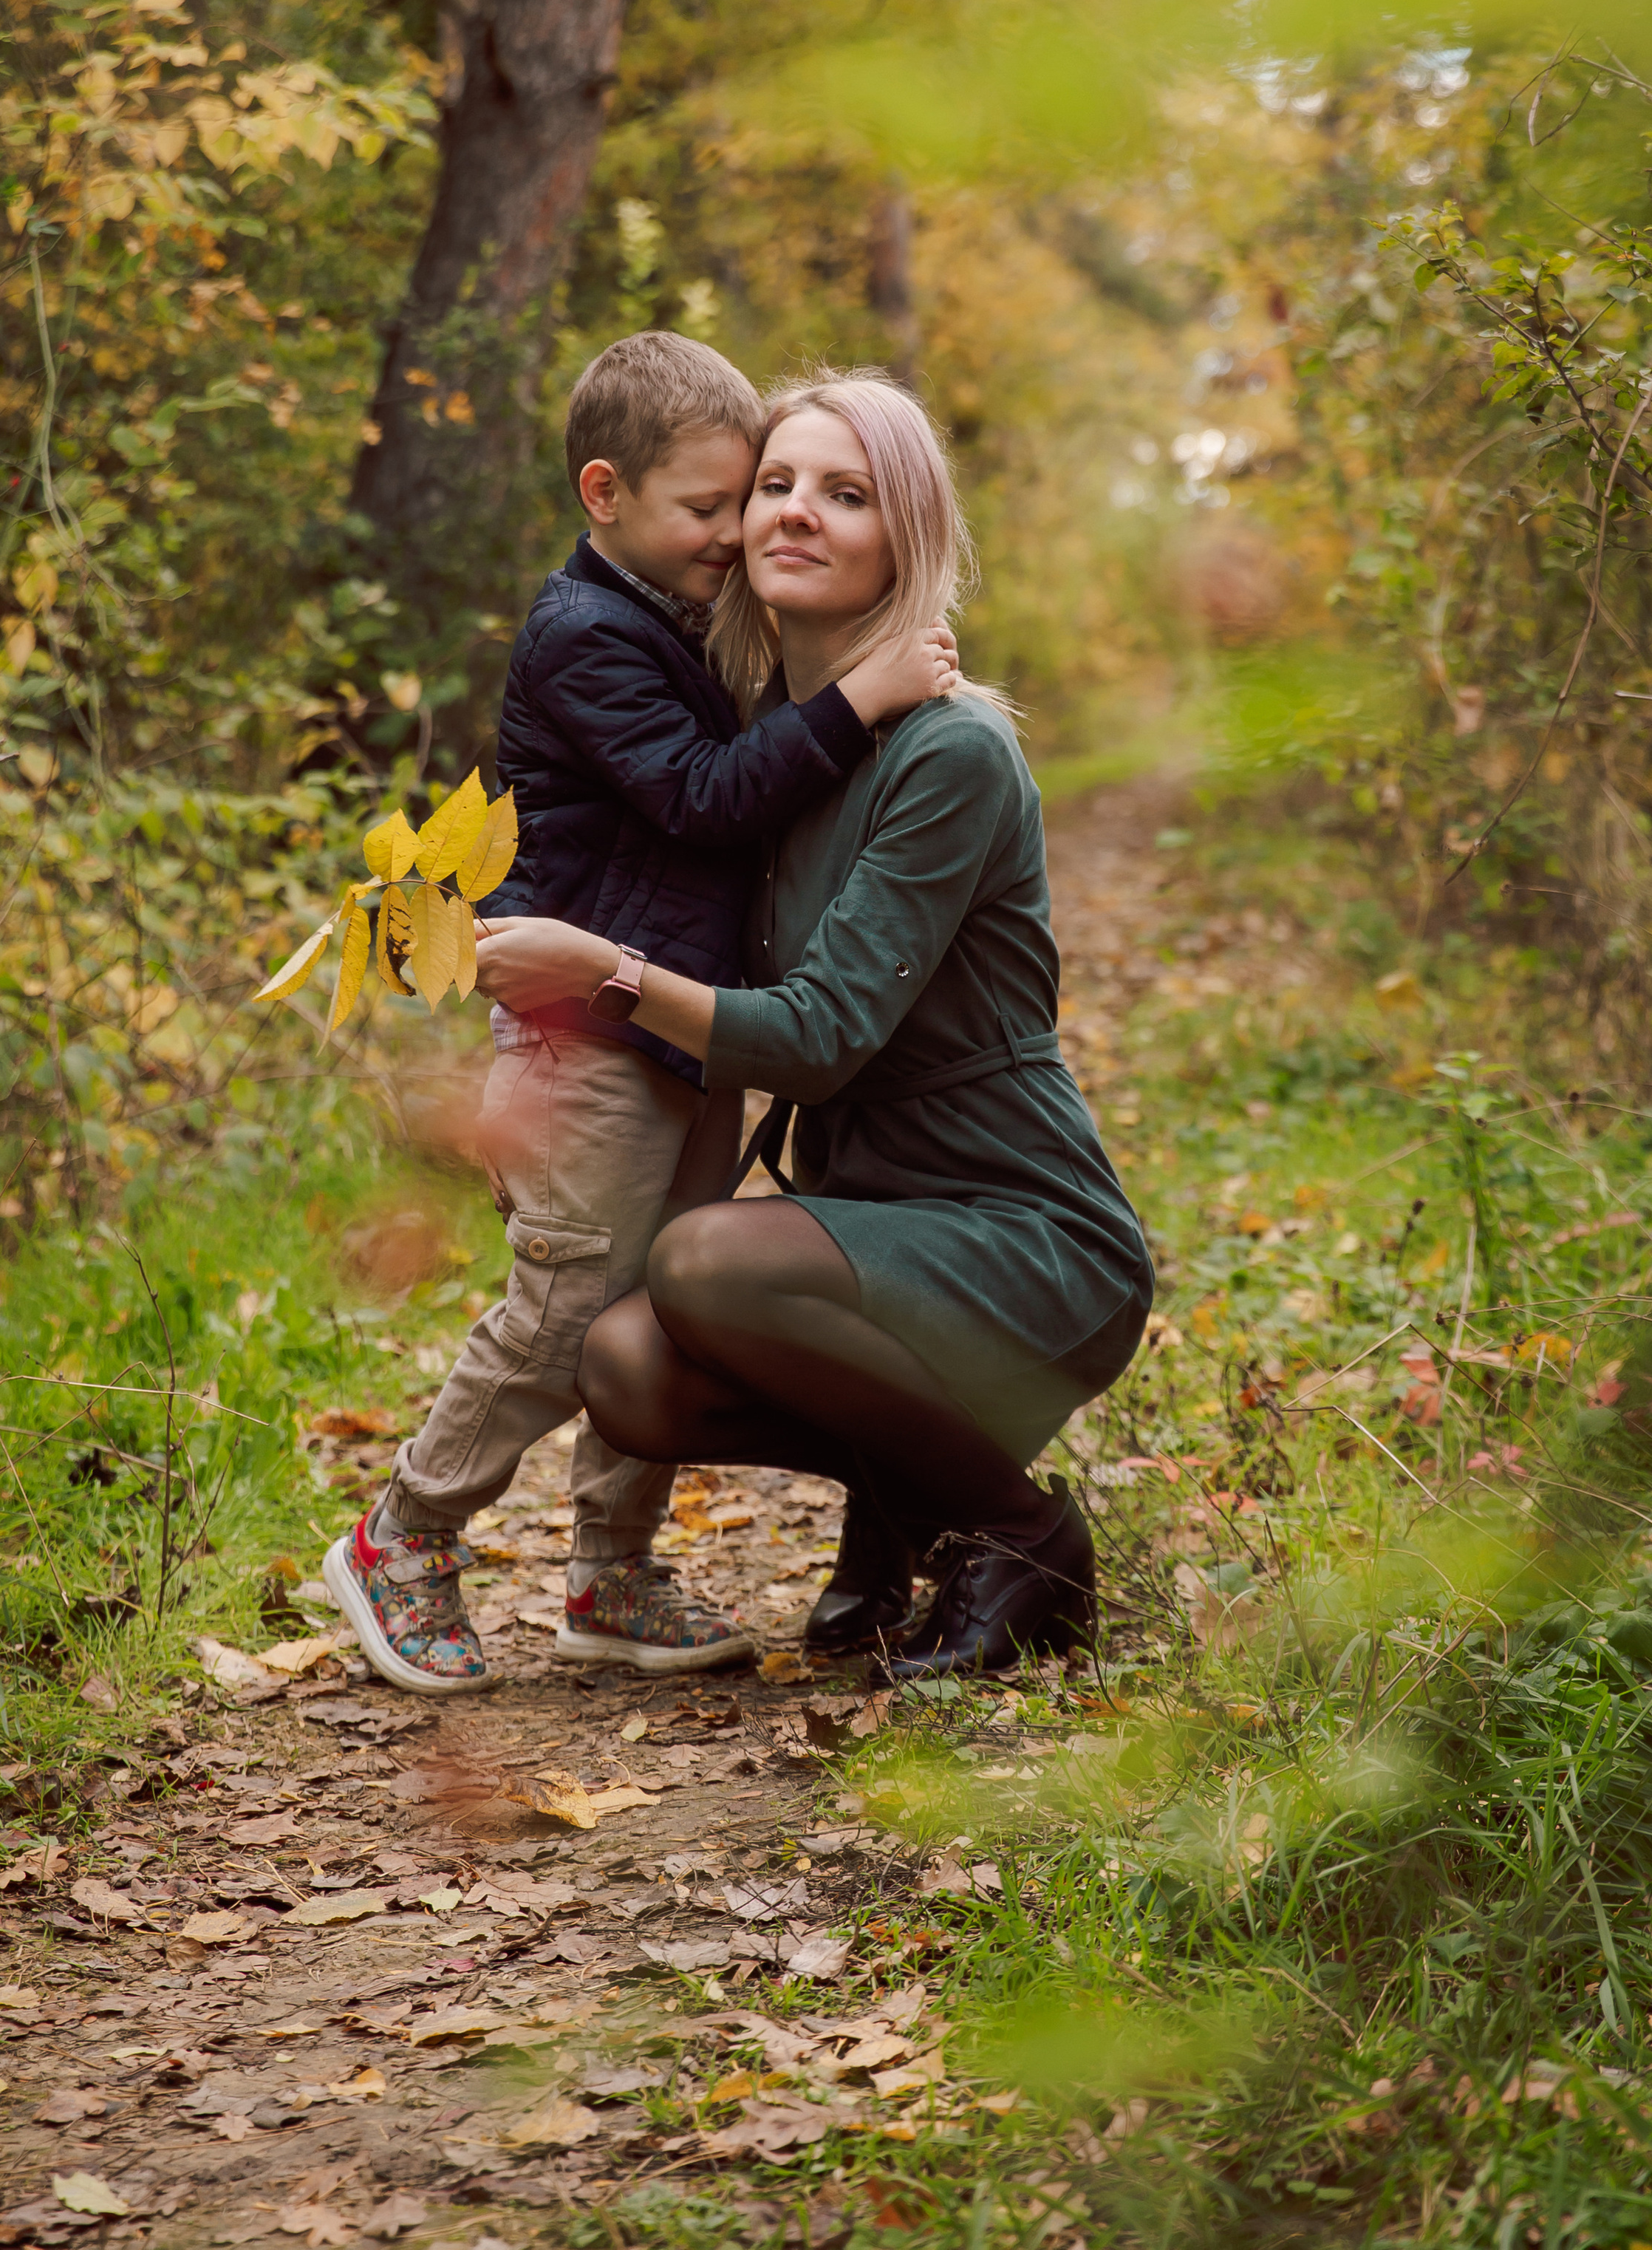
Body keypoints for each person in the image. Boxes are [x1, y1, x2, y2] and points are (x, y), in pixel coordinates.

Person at [473, 369, 1153, 1681]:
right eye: (774, 485)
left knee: (706, 1264)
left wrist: (599, 971)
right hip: (866, 1227)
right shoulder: (776, 750)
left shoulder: (948, 752)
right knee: (625, 1367)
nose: (790, 514)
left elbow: (817, 1036)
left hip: (1018, 1230)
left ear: (907, 536)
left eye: (845, 494)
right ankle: (897, 1512)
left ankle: (1020, 1535)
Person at [324, 333, 956, 1694]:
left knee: (656, 1307)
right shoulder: (582, 637)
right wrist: (866, 696)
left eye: (749, 502)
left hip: (679, 1023)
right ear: (604, 492)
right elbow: (705, 797)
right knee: (566, 1307)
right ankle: (403, 1536)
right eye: (710, 507)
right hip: (585, 1037)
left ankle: (611, 1573)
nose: (736, 534)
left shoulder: (671, 615)